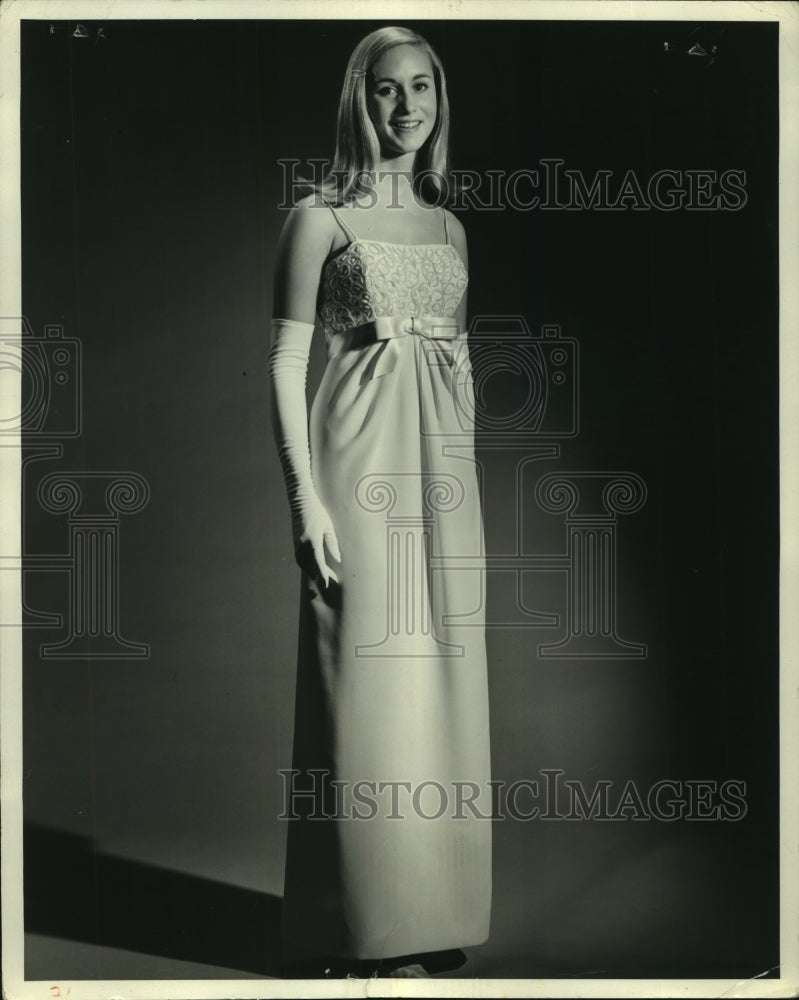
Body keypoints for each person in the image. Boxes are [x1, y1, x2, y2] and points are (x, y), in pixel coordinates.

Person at [268, 25, 491, 979]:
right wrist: (303, 503)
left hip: (443, 476)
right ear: (358, 102)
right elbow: (285, 362)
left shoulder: (450, 227)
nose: (406, 109)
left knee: (441, 687)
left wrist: (465, 467)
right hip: (356, 467)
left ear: (439, 101)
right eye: (386, 91)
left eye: (421, 90)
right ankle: (352, 931)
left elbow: (462, 358)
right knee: (363, 688)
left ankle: (430, 919)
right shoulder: (318, 217)